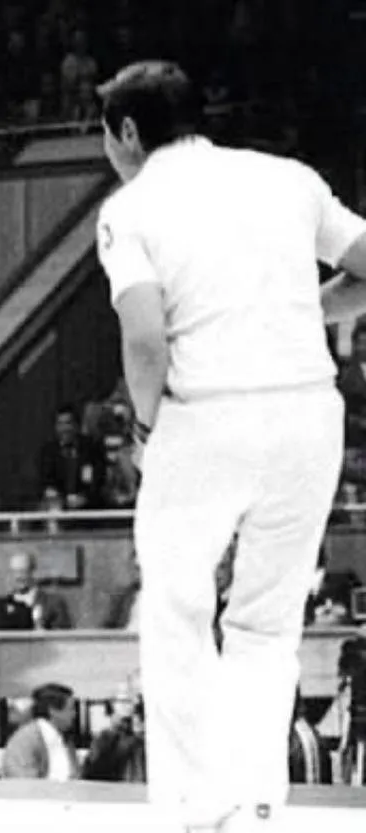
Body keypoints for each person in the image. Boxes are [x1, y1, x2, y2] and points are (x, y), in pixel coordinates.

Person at [95, 60, 366, 832]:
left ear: (127, 132)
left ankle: (196, 804)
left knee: (177, 612)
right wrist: (302, 311)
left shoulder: (130, 207)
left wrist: (146, 429)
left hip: (205, 417)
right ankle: (255, 799)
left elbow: (144, 337)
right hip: (307, 416)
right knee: (268, 622)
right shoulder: (288, 178)